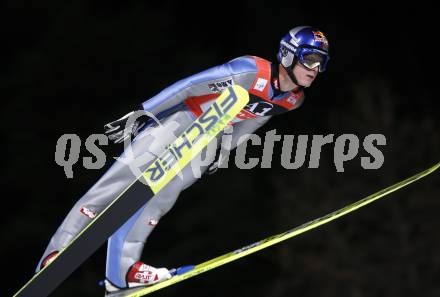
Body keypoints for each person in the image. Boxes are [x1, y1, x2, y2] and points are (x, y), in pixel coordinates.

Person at [35, 26, 330, 295]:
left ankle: (122, 273)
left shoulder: (293, 100)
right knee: (116, 185)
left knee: (159, 199)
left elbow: (252, 122)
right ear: (288, 54)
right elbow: (189, 86)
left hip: (205, 139)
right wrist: (144, 111)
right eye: (311, 59)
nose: (316, 69)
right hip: (180, 121)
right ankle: (57, 252)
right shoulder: (250, 71)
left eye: (322, 63)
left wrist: (224, 150)